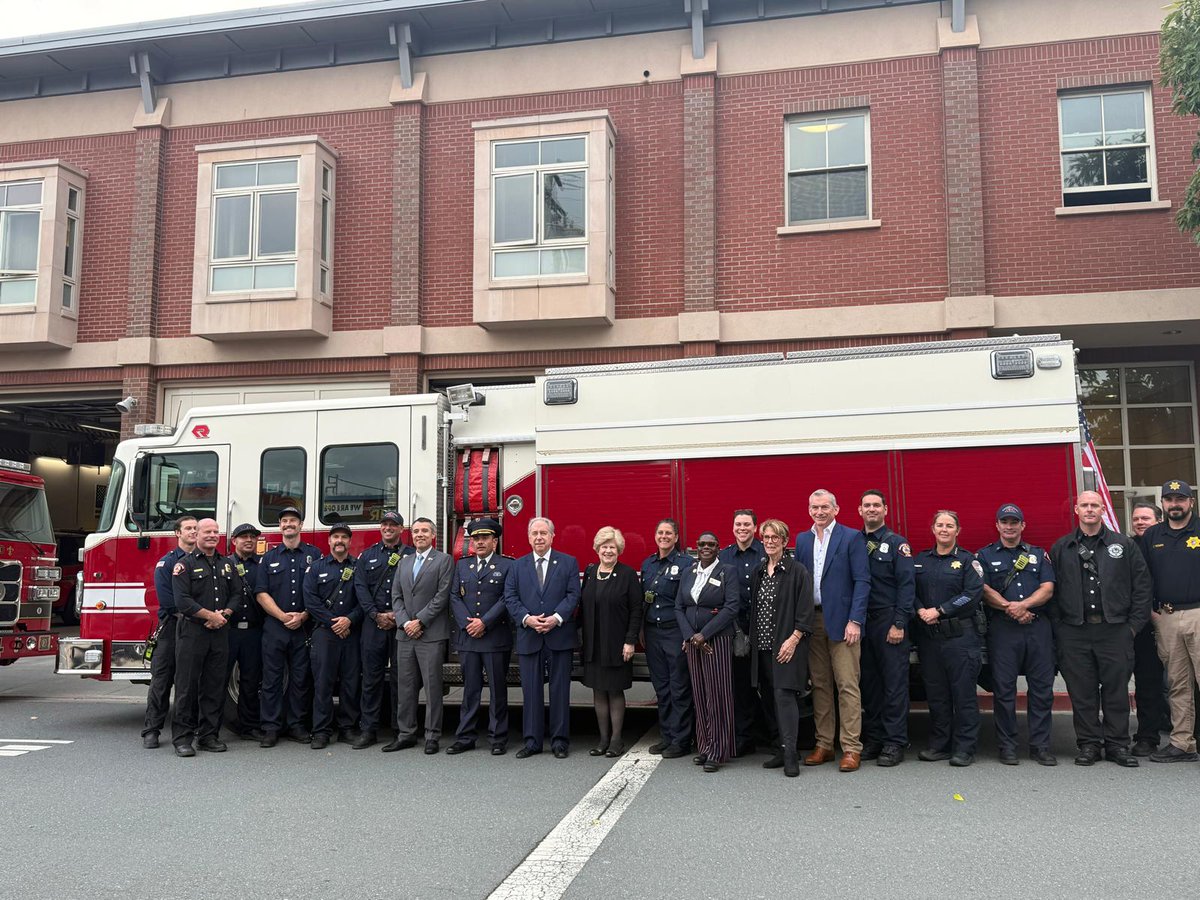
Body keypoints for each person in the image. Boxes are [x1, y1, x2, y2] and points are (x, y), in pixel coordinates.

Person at [1048, 491, 1151, 767]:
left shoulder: (1124, 545)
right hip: (1075, 632)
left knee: (1116, 690)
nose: (1090, 509)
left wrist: (1132, 627)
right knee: (1082, 692)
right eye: (1085, 505)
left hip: (1115, 630)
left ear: (1103, 510)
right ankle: (1089, 745)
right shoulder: (1062, 548)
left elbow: (1142, 587)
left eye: (1095, 505)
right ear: (1076, 511)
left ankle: (1118, 745)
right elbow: (1051, 591)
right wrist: (1060, 628)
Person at [794, 489, 870, 773]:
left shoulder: (851, 538)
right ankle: (824, 744)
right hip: (812, 622)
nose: (819, 512)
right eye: (815, 507)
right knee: (821, 685)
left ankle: (851, 748)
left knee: (847, 685)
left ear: (836, 509)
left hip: (843, 622)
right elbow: (799, 582)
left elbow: (862, 581)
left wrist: (856, 621)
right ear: (809, 509)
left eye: (825, 507)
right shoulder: (803, 539)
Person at [977, 503, 1057, 766]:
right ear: (997, 525)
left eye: (1014, 522)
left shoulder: (1038, 554)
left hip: (1037, 628)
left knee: (1042, 690)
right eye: (1005, 522)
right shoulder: (985, 556)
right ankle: (1008, 746)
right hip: (1003, 630)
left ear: (1022, 526)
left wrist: (1023, 605)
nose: (1009, 526)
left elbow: (1047, 588)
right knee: (1004, 690)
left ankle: (1040, 746)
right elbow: (984, 589)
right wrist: (1010, 607)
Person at [503, 517, 581, 759]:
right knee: (531, 692)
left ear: (552, 536)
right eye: (534, 533)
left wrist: (556, 618)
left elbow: (573, 594)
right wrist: (527, 619)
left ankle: (559, 741)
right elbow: (510, 597)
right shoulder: (517, 566)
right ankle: (532, 741)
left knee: (560, 691)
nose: (539, 537)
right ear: (528, 537)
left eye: (543, 533)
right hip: (530, 636)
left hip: (559, 636)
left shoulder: (568, 563)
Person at [912, 510, 984, 767]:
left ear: (957, 530)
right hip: (930, 639)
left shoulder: (967, 561)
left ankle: (965, 748)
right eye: (940, 525)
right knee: (937, 695)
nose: (944, 529)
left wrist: (940, 610)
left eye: (949, 525)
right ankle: (940, 745)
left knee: (963, 694)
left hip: (960, 638)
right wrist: (920, 609)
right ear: (932, 529)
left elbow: (973, 594)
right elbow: (910, 590)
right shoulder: (920, 560)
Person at [171, 518, 242, 757]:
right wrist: (210, 615)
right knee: (186, 687)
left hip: (220, 633)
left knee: (214, 686)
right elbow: (182, 601)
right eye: (207, 531)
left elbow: (236, 594)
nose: (212, 535)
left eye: (216, 531)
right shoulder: (184, 565)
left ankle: (209, 736)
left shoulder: (227, 564)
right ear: (196, 534)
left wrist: (225, 615)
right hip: (192, 633)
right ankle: (182, 738)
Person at [748, 519, 814, 778]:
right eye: (766, 537)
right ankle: (780, 747)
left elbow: (805, 611)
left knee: (785, 698)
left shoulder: (797, 571)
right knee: (769, 698)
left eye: (776, 537)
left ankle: (791, 755)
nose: (770, 541)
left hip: (786, 646)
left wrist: (794, 639)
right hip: (762, 647)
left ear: (785, 542)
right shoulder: (759, 571)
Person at [1141, 480, 1200, 764]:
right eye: (1169, 499)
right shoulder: (1153, 535)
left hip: (1199, 613)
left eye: (1180, 498)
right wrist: (1151, 613)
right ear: (1162, 503)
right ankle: (1182, 743)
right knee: (1178, 683)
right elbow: (1143, 578)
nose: (1174, 504)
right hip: (1165, 616)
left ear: (1191, 502)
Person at [383, 516, 453, 754]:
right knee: (405, 687)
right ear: (411, 535)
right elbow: (396, 596)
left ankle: (432, 736)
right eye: (416, 531)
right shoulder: (404, 562)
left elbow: (442, 597)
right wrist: (404, 623)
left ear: (433, 535)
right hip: (405, 635)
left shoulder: (444, 561)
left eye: (424, 530)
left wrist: (420, 621)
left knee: (433, 688)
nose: (420, 534)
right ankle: (406, 734)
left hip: (430, 634)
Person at [857, 490, 915, 767]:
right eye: (867, 505)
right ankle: (875, 738)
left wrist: (899, 623)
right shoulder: (853, 542)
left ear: (885, 510)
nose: (871, 509)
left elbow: (907, 586)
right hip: (862, 622)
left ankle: (894, 743)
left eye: (876, 505)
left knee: (894, 685)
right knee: (870, 684)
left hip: (888, 619)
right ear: (859, 510)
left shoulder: (897, 544)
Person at [255, 506, 322, 748]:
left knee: (301, 680)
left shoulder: (314, 556)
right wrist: (284, 617)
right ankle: (270, 728)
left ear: (301, 525)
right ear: (280, 526)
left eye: (293, 520)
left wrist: (303, 616)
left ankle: (297, 725)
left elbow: (318, 593)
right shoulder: (269, 558)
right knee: (271, 680)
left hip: (303, 627)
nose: (288, 524)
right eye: (284, 521)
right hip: (275, 628)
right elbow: (261, 593)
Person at [447, 518, 513, 756]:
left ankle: (498, 738)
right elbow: (454, 596)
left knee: (497, 690)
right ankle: (465, 737)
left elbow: (507, 598)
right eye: (476, 538)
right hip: (469, 638)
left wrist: (484, 622)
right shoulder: (462, 565)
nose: (480, 542)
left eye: (485, 538)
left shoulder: (507, 566)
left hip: (494, 637)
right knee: (470, 690)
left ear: (495, 541)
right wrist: (469, 625)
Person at [676, 531, 739, 772]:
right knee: (700, 695)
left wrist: (705, 634)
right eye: (701, 544)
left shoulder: (727, 571)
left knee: (718, 695)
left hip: (717, 641)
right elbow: (679, 606)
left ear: (718, 547)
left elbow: (731, 607)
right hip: (693, 641)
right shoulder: (689, 572)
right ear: (696, 547)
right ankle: (705, 745)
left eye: (711, 544)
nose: (706, 547)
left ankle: (719, 749)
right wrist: (689, 635)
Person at [580, 526, 643, 759]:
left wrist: (630, 641)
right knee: (598, 691)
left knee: (615, 691)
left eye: (612, 547)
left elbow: (637, 609)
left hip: (617, 643)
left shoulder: (627, 574)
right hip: (594, 644)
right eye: (604, 547)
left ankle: (617, 740)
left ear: (619, 550)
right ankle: (603, 740)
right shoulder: (590, 572)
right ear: (597, 549)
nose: (608, 551)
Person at [352, 511, 413, 750]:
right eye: (385, 524)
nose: (388, 528)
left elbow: (415, 589)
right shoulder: (367, 556)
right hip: (373, 623)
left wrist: (398, 616)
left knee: (402, 679)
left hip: (402, 623)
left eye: (393, 525)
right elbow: (360, 588)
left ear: (400, 529)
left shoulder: (410, 555)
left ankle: (400, 730)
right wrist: (376, 615)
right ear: (381, 528)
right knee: (371, 678)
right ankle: (368, 730)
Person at [718, 509, 773, 756]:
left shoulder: (767, 552)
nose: (742, 528)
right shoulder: (724, 556)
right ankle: (744, 738)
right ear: (733, 528)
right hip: (736, 632)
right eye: (738, 524)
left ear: (755, 527)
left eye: (747, 524)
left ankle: (775, 738)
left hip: (766, 629)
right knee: (740, 687)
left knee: (771, 685)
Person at [304, 522, 362, 750]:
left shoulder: (359, 567)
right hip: (324, 634)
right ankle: (321, 731)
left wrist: (349, 620)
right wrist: (334, 622)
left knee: (351, 682)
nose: (339, 541)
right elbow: (310, 600)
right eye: (335, 537)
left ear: (350, 541)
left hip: (351, 632)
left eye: (344, 537)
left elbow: (364, 600)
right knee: (323, 683)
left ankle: (347, 728)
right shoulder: (316, 568)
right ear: (329, 541)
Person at [142, 515, 198, 749]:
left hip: (195, 628)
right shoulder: (165, 564)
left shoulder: (203, 561)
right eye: (188, 528)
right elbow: (168, 601)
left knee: (189, 683)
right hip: (171, 628)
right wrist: (199, 613)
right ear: (178, 533)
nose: (193, 532)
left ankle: (188, 728)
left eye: (196, 528)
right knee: (162, 681)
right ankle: (151, 730)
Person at [640, 518, 695, 758]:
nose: (664, 536)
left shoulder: (685, 563)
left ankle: (682, 740)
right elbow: (644, 600)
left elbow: (688, 602)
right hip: (653, 632)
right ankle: (667, 736)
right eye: (660, 532)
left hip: (674, 632)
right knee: (661, 688)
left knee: (679, 688)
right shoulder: (648, 564)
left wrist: (687, 634)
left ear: (676, 537)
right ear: (655, 536)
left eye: (668, 533)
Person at [1128, 501, 1169, 756]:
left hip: (1166, 621)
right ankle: (1142, 736)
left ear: (1158, 520)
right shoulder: (1125, 547)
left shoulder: (1169, 546)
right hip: (1136, 624)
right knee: (1142, 682)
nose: (1140, 522)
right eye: (1136, 519)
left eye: (1146, 518)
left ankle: (1160, 735)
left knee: (1166, 682)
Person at [224, 522, 264, 741]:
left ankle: (249, 726)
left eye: (252, 537)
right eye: (243, 537)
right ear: (234, 541)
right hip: (229, 632)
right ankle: (209, 727)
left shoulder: (263, 566)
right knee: (218, 680)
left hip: (253, 633)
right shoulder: (224, 565)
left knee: (250, 681)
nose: (249, 540)